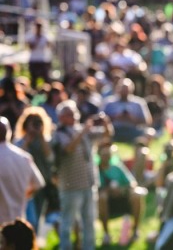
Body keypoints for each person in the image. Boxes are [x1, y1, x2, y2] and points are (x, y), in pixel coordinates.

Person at [51, 100, 113, 250]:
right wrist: (83, 131)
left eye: (74, 113)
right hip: (71, 185)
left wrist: (105, 123)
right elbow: (68, 149)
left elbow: (107, 135)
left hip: (89, 183)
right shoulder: (58, 134)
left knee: (89, 221)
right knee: (68, 222)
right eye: (68, 114)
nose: (73, 116)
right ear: (61, 117)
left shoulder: (84, 130)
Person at [96, 141, 147, 245]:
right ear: (99, 156)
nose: (107, 157)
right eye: (104, 154)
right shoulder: (95, 171)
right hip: (106, 203)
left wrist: (121, 189)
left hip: (123, 199)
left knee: (136, 196)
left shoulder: (117, 167)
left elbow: (132, 183)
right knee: (102, 197)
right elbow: (96, 189)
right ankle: (106, 235)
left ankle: (135, 231)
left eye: (108, 154)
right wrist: (108, 191)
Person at [0, 117, 45, 226]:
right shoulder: (24, 158)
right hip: (17, 221)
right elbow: (38, 184)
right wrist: (22, 196)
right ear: (9, 133)